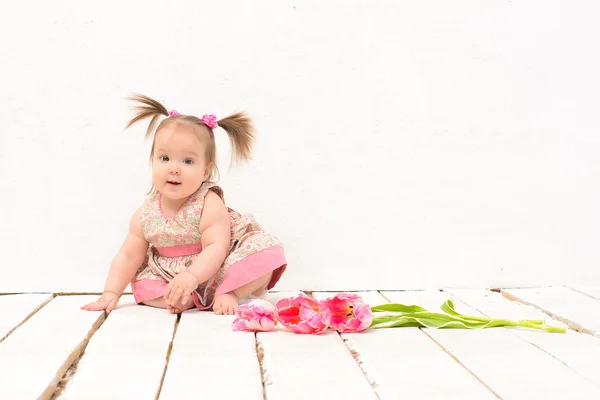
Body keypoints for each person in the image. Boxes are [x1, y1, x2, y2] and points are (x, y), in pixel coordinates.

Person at [82, 94, 286, 315]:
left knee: (265, 257)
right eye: (165, 158)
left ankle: (231, 293)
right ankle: (182, 299)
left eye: (188, 161)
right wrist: (111, 293)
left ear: (205, 171)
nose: (174, 169)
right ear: (152, 161)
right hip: (170, 275)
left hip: (218, 267)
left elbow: (216, 247)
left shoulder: (208, 203)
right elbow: (128, 256)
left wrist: (192, 276)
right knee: (142, 286)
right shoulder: (145, 214)